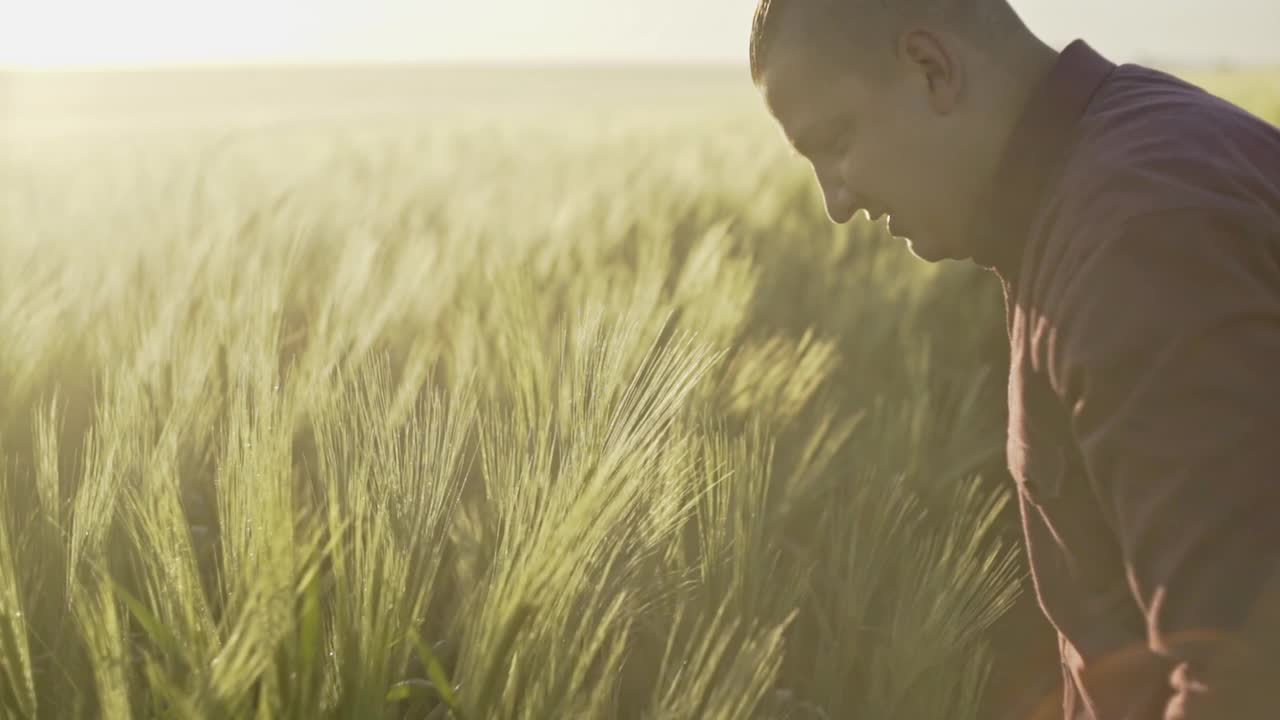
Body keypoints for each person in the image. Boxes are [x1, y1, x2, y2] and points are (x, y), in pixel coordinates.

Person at [747, 1, 1280, 718]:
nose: (836, 202)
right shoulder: (1115, 163)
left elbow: (1249, 677)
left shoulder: (1135, 248)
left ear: (933, 69)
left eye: (836, 141)